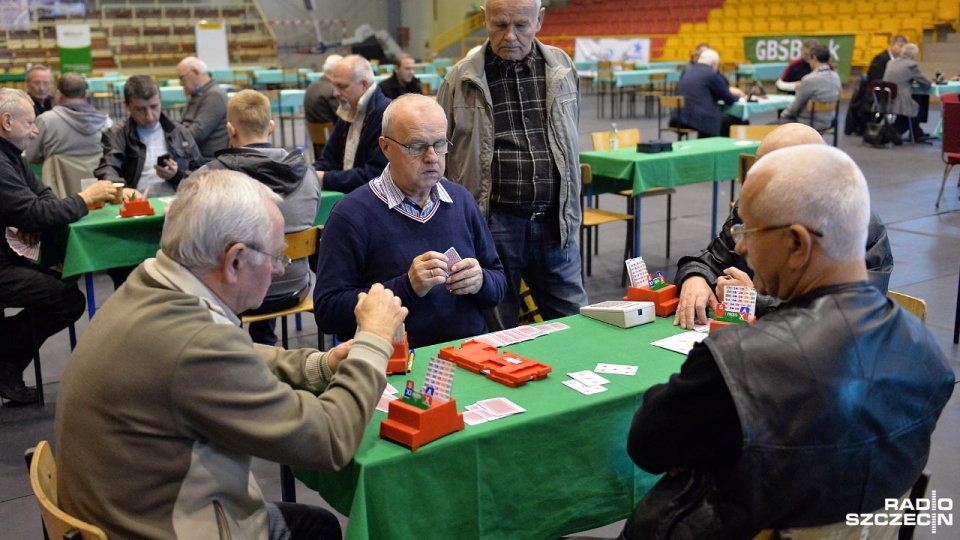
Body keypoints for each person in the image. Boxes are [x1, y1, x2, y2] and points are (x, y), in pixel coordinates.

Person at [55, 169, 408, 539]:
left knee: (315, 525)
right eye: (276, 256)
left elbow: (231, 351)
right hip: (159, 525)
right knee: (321, 529)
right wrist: (373, 340)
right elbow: (329, 440)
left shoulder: (152, 283)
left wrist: (320, 364)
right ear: (235, 260)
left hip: (126, 508)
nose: (277, 268)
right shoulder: (197, 344)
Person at [624, 145, 954, 538]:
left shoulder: (739, 364)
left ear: (797, 244)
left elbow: (647, 447)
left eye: (748, 232)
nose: (741, 247)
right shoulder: (928, 354)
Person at [437, 0, 588, 330]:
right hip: (494, 227)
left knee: (577, 327)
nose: (510, 36)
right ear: (483, 19)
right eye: (500, 24)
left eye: (521, 25)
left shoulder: (562, 68)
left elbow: (569, 137)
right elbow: (441, 159)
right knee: (497, 336)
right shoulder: (460, 80)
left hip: (554, 223)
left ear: (540, 20)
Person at [314, 94, 506, 348]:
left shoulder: (461, 201)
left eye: (439, 144)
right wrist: (406, 288)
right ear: (385, 147)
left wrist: (481, 281)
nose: (432, 157)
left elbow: (499, 282)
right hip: (395, 362)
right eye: (417, 146)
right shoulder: (351, 215)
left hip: (469, 351)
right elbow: (328, 313)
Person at [673, 123, 894, 330]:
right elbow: (710, 260)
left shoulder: (862, 229)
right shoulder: (752, 209)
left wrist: (753, 300)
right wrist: (696, 278)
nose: (756, 185)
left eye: (769, 175)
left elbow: (846, 319)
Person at [0, 88, 115, 405]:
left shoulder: (11, 156)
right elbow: (37, 210)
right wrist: (84, 199)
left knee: (61, 285)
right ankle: (5, 356)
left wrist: (34, 219)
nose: (35, 130)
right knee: (66, 300)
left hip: (8, 259)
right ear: (7, 121)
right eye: (30, 123)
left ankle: (7, 366)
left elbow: (42, 196)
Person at [193, 89, 320, 346]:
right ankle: (265, 344)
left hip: (237, 292)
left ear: (230, 130)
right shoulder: (307, 173)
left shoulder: (208, 177)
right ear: (271, 127)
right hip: (295, 286)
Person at [95, 75, 202, 199]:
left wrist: (177, 175)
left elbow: (202, 175)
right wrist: (121, 190)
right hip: (135, 203)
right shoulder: (116, 135)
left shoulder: (180, 132)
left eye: (154, 107)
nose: (149, 116)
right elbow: (108, 168)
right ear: (126, 105)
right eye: (140, 109)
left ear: (160, 100)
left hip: (177, 201)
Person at [315, 54, 391, 193]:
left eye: (342, 86)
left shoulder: (385, 114)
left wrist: (324, 178)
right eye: (334, 86)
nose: (335, 93)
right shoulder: (348, 109)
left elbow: (375, 175)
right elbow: (328, 160)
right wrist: (307, 173)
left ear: (363, 84)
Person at [25, 72, 113, 165]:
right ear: (86, 94)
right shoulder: (106, 122)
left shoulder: (45, 121)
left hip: (57, 179)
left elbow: (31, 157)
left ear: (59, 94)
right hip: (96, 178)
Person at [673, 48, 746, 138]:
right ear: (714, 64)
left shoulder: (687, 70)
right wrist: (739, 97)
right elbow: (728, 98)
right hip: (700, 118)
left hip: (679, 117)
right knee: (738, 120)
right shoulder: (711, 74)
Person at [176, 56, 229, 161]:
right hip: (194, 158)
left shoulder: (215, 96)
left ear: (195, 73)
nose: (181, 83)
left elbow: (196, 133)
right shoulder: (195, 95)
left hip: (207, 162)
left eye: (182, 78)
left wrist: (174, 135)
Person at [779, 45, 841, 131]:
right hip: (829, 122)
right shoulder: (836, 77)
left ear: (814, 58)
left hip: (808, 123)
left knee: (772, 127)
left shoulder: (809, 80)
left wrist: (783, 116)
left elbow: (795, 107)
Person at [883, 43, 932, 141]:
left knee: (910, 110)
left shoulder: (890, 62)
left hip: (886, 99)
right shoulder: (911, 65)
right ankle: (895, 132)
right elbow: (926, 83)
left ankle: (914, 133)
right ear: (914, 55)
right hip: (900, 100)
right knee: (920, 111)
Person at [304, 53, 343, 157]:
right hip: (333, 147)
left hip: (318, 146)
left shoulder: (311, 88)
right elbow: (343, 117)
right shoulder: (332, 91)